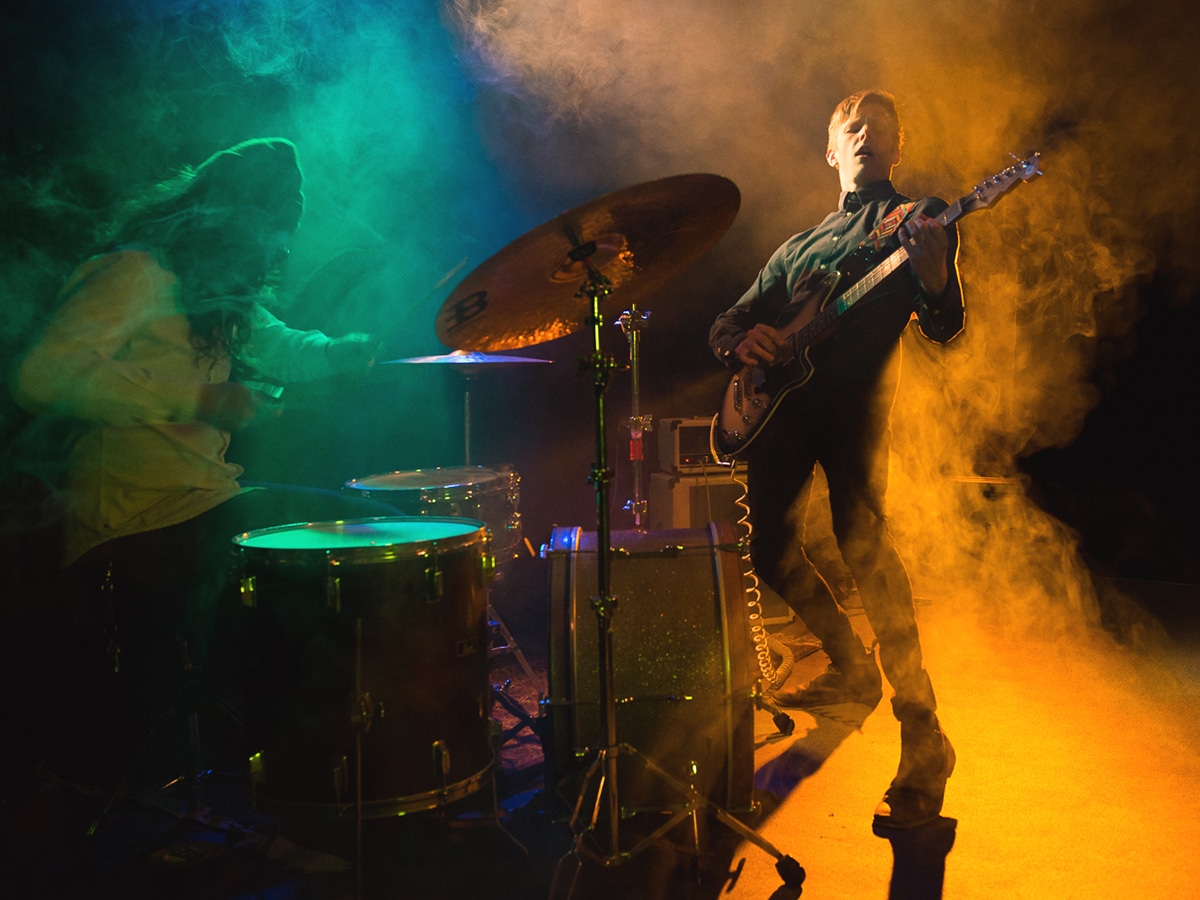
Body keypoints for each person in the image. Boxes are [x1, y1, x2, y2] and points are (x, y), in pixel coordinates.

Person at [7, 138, 396, 786]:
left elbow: (277, 341)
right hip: (132, 518)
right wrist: (199, 397)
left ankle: (319, 771)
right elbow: (39, 378)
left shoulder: (210, 287)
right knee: (364, 545)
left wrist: (336, 351)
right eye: (276, 228)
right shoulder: (135, 273)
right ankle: (305, 780)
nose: (279, 247)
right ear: (234, 216)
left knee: (372, 536)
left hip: (201, 498)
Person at [708, 90, 964, 829]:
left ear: (898, 147)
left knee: (866, 548)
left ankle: (924, 735)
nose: (867, 135)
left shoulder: (917, 220)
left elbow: (944, 323)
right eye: (854, 126)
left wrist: (937, 273)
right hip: (783, 415)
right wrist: (740, 345)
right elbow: (729, 318)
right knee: (765, 550)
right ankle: (850, 667)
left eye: (882, 128)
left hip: (856, 410)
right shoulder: (796, 247)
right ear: (832, 150)